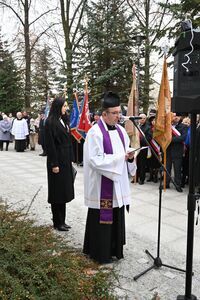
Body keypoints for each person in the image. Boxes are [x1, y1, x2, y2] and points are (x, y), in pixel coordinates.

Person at [83, 91, 137, 264]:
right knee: (101, 217)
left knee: (116, 215)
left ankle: (115, 250)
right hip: (101, 186)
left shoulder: (121, 131)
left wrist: (130, 157)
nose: (118, 116)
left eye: (119, 112)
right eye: (114, 113)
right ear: (104, 114)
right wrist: (120, 158)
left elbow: (125, 152)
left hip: (118, 184)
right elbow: (95, 160)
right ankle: (100, 253)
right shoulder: (94, 134)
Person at [45, 97, 75, 231]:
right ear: (58, 107)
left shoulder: (63, 120)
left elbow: (68, 141)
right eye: (64, 106)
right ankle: (57, 222)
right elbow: (50, 145)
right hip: (56, 161)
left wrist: (71, 158)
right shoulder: (50, 122)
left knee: (63, 191)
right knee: (57, 192)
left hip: (65, 160)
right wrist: (54, 164)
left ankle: (62, 220)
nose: (66, 108)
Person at [166, 113, 188, 192]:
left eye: (177, 116)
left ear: (180, 117)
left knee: (177, 169)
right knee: (167, 168)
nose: (175, 118)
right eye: (174, 116)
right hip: (168, 150)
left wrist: (170, 140)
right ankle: (166, 183)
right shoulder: (168, 125)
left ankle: (177, 185)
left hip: (178, 151)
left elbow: (183, 138)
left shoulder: (184, 126)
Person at [136, 113, 152, 185]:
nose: (142, 119)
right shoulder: (136, 126)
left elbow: (149, 138)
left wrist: (139, 139)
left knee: (142, 164)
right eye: (140, 118)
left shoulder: (148, 127)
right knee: (136, 163)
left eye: (143, 118)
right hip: (136, 148)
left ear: (146, 119)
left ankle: (142, 179)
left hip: (143, 147)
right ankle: (135, 177)